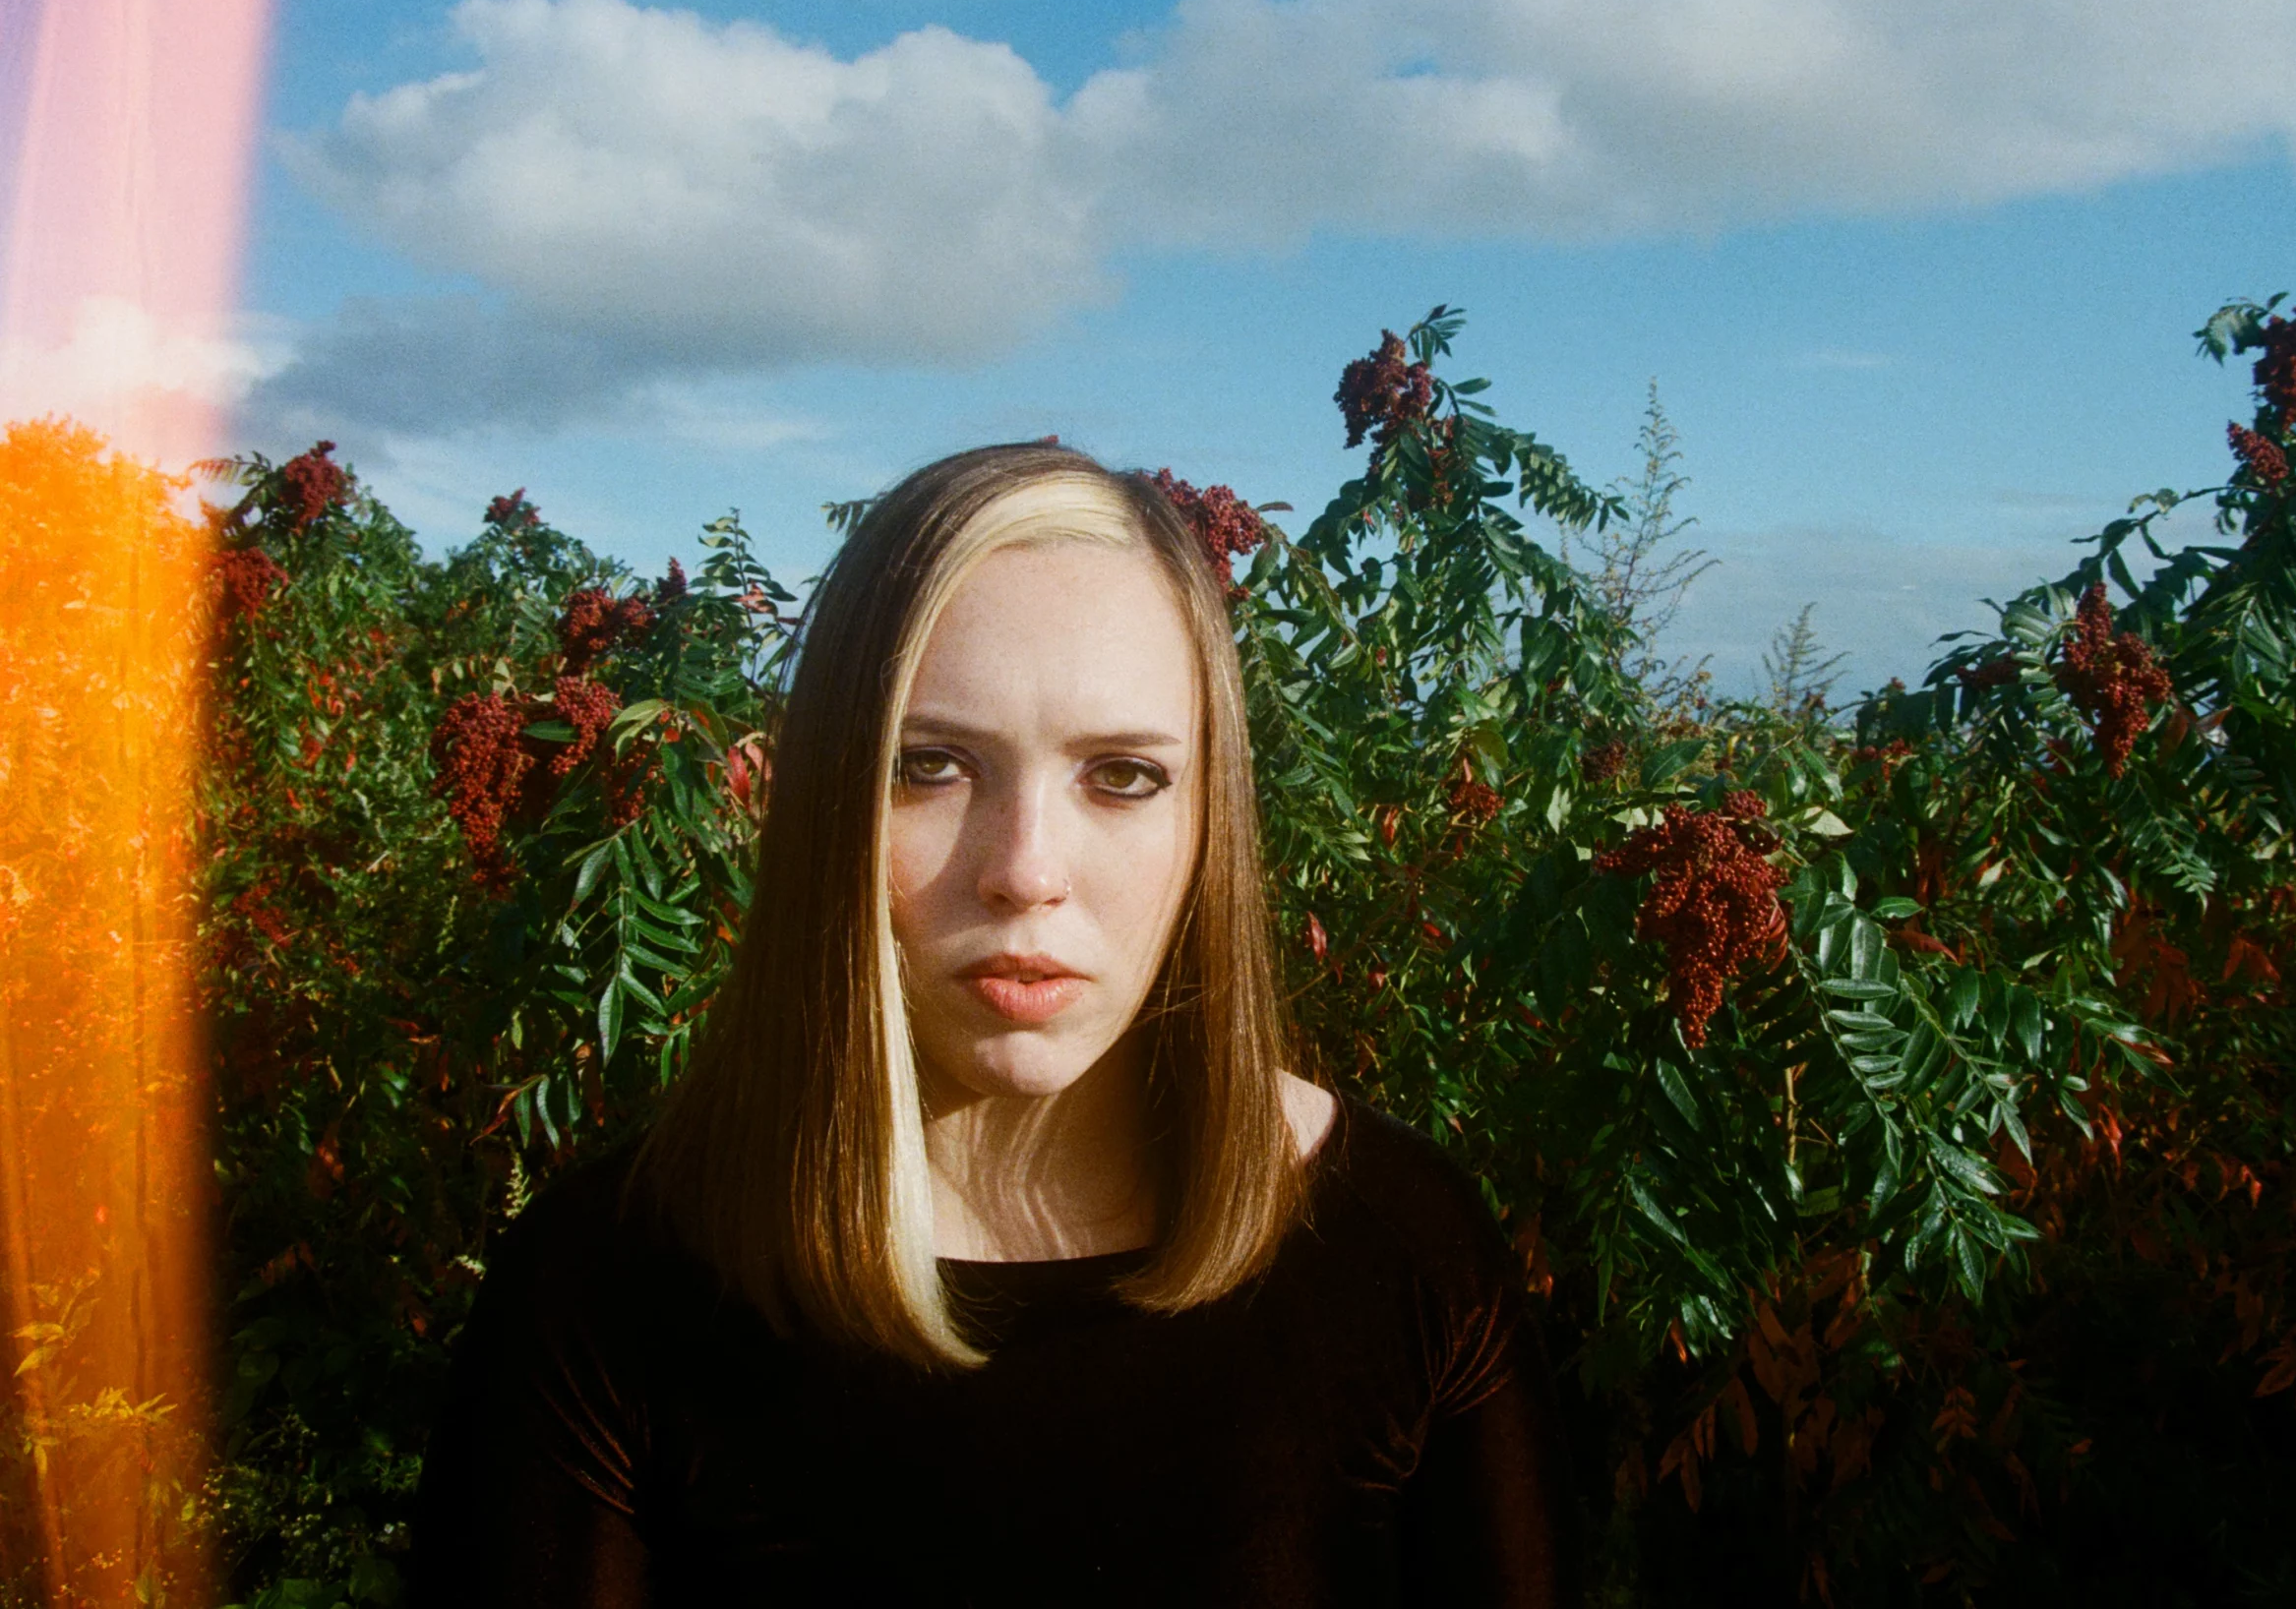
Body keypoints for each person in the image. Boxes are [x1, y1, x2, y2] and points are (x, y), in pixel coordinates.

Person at [411, 443, 1576, 1606]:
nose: (1025, 871)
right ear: (827, 801)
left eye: (1120, 774)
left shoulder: (1406, 1255)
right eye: (929, 766)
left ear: (1207, 817)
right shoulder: (609, 1291)